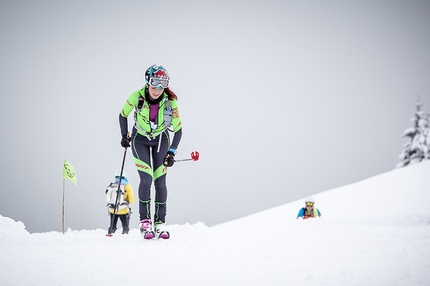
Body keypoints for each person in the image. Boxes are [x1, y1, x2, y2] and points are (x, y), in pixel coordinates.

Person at [118, 64, 182, 239]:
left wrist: (172, 152)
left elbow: (178, 129)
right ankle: (145, 222)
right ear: (147, 82)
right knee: (146, 180)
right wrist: (124, 135)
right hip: (140, 140)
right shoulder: (136, 96)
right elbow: (123, 114)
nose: (157, 90)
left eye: (162, 85)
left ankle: (160, 223)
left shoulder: (170, 102)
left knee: (160, 182)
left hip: (161, 140)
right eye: (154, 85)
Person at [106, 170, 135, 236]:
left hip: (112, 209)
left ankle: (110, 233)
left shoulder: (112, 184)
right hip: (123, 209)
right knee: (125, 226)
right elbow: (132, 200)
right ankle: (124, 235)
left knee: (112, 224)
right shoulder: (127, 186)